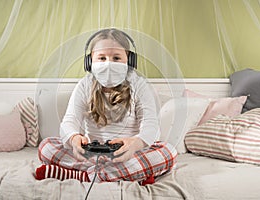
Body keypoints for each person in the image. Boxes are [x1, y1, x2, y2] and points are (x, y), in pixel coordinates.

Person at [35, 28, 177, 184]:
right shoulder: (85, 85)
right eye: (101, 58)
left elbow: (151, 125)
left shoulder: (138, 85)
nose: (109, 64)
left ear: (129, 60)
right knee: (46, 146)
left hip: (127, 155)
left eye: (116, 58)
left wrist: (135, 144)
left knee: (169, 151)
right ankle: (125, 175)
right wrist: (74, 139)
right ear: (90, 62)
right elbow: (70, 120)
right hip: (91, 154)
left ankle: (80, 176)